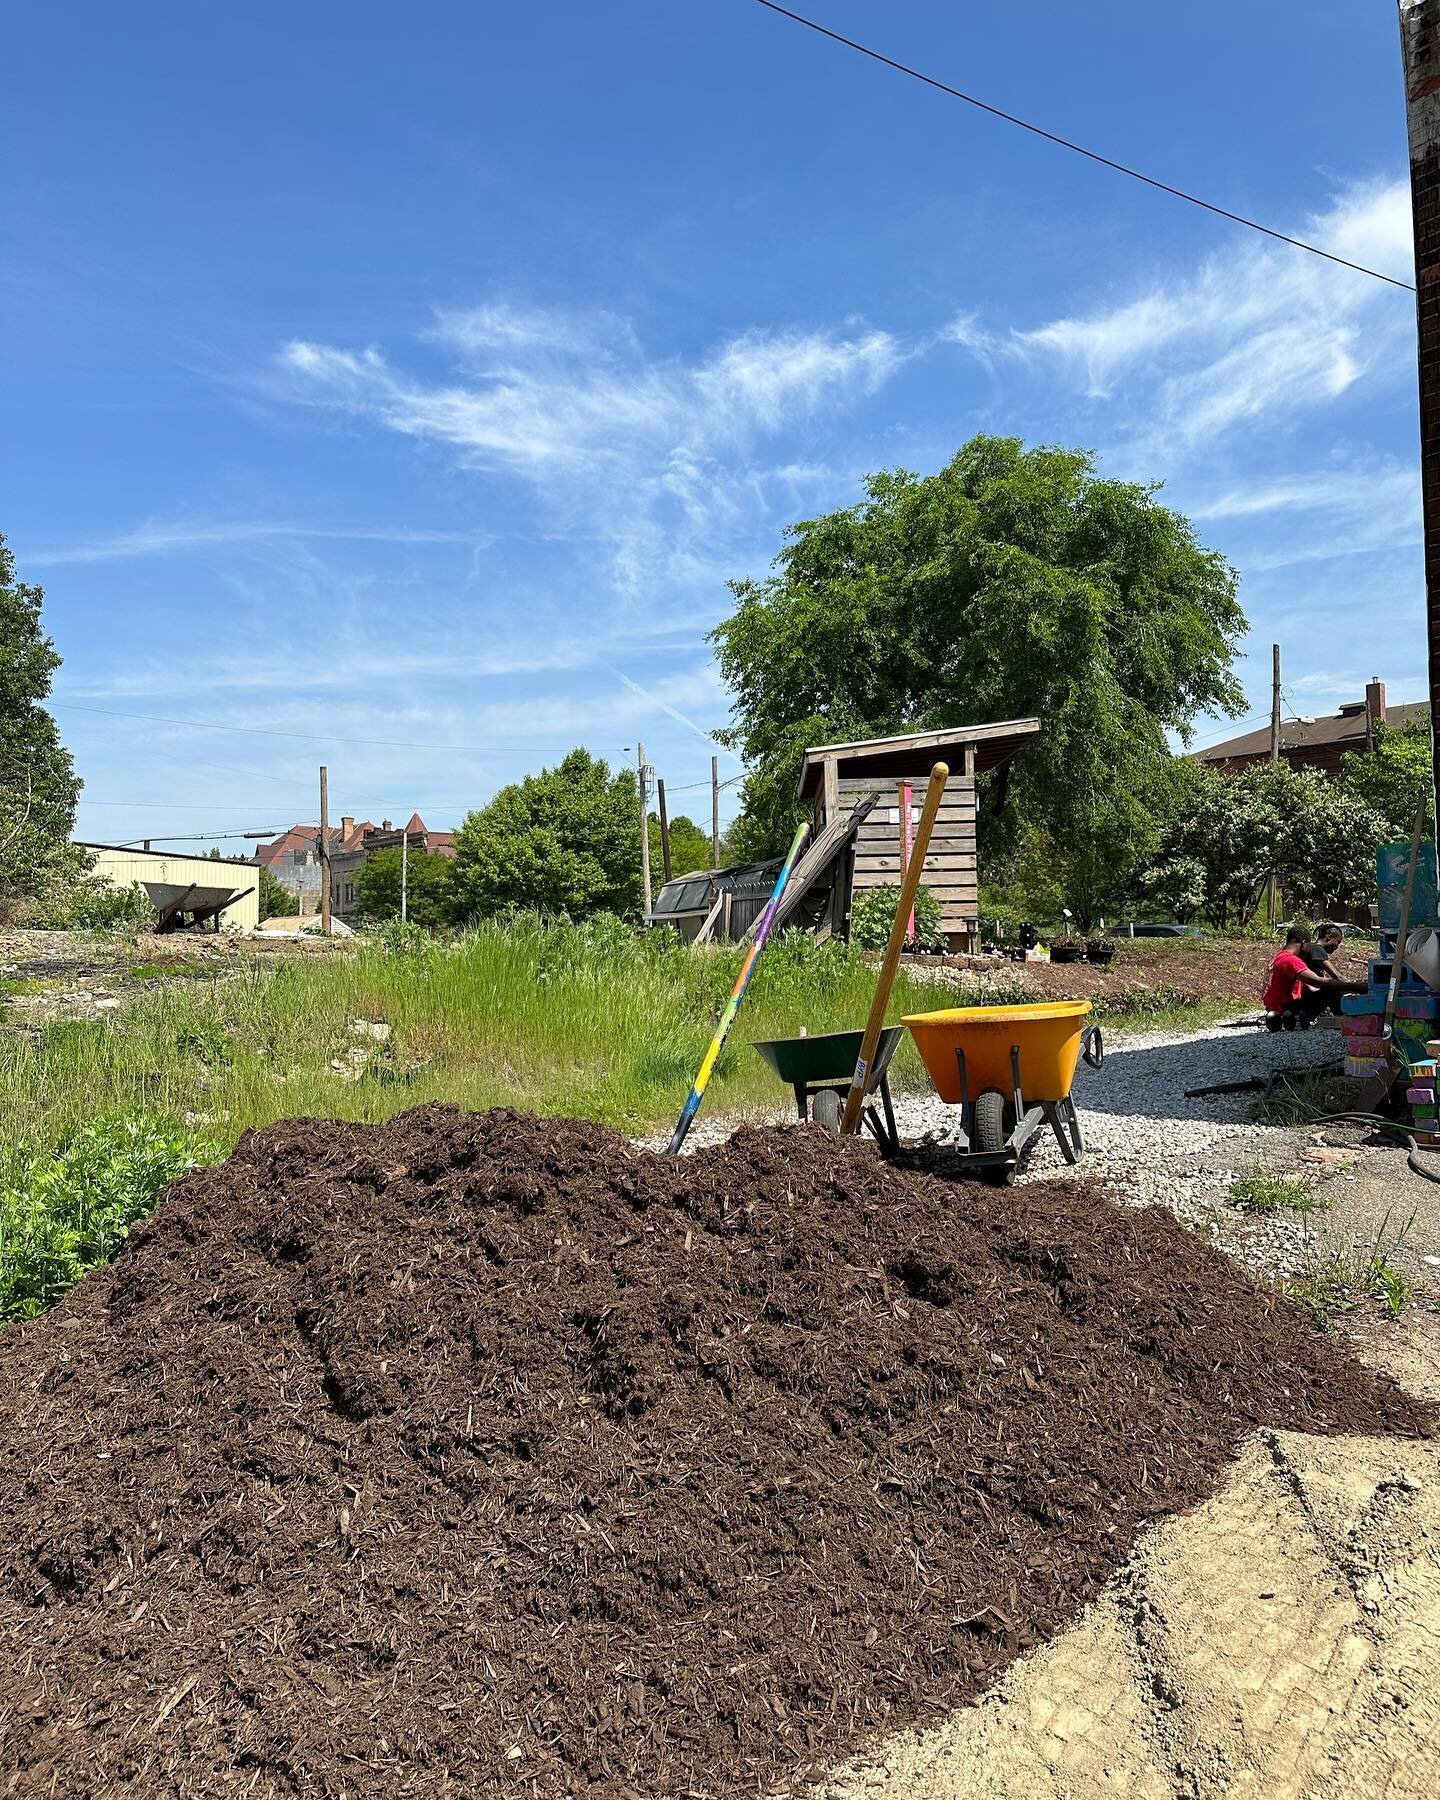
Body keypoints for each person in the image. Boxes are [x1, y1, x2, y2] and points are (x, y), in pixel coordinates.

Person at [1262, 925, 1362, 1030]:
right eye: (1308, 945)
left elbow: (1306, 982)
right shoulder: (1291, 960)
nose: (1309, 949)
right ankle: (1353, 1018)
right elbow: (1319, 982)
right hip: (1286, 1006)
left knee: (1325, 990)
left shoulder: (1277, 957)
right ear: (1303, 942)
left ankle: (1288, 1017)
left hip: (1274, 1007)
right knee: (1330, 989)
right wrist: (1358, 986)